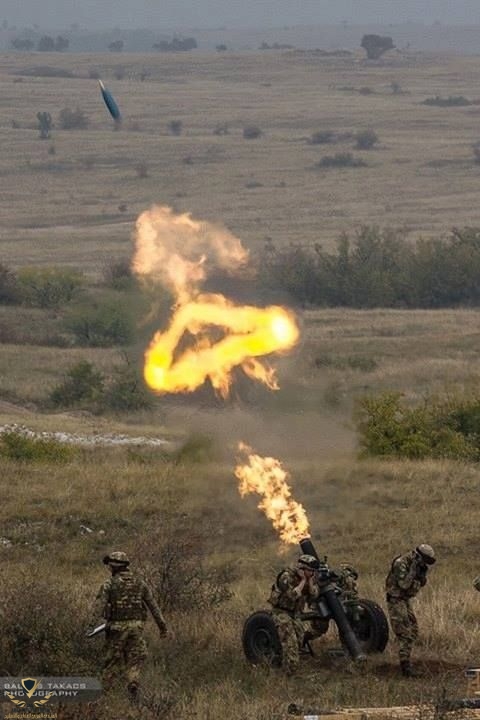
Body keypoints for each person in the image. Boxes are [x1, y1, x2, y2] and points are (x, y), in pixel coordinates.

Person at [89, 551, 169, 703]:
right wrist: (163, 628)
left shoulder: (109, 584)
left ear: (113, 567)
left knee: (111, 662)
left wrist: (89, 627)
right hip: (136, 630)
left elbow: (97, 607)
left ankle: (104, 698)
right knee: (135, 660)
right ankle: (133, 684)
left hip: (116, 630)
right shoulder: (140, 583)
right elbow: (154, 607)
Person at [385, 544, 436, 677]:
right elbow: (404, 585)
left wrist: (421, 574)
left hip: (404, 599)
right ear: (418, 556)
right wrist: (413, 570)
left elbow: (420, 584)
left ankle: (406, 661)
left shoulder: (417, 564)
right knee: (405, 633)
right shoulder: (401, 563)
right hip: (396, 599)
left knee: (413, 630)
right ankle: (405, 668)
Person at [268, 553, 323, 675]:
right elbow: (292, 596)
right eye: (310, 571)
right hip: (281, 612)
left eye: (313, 571)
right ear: (302, 569)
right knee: (290, 643)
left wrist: (309, 582)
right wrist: (303, 581)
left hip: (295, 613)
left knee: (299, 640)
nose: (312, 573)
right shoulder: (286, 577)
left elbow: (314, 595)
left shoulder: (310, 578)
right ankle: (289, 674)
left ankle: (285, 662)